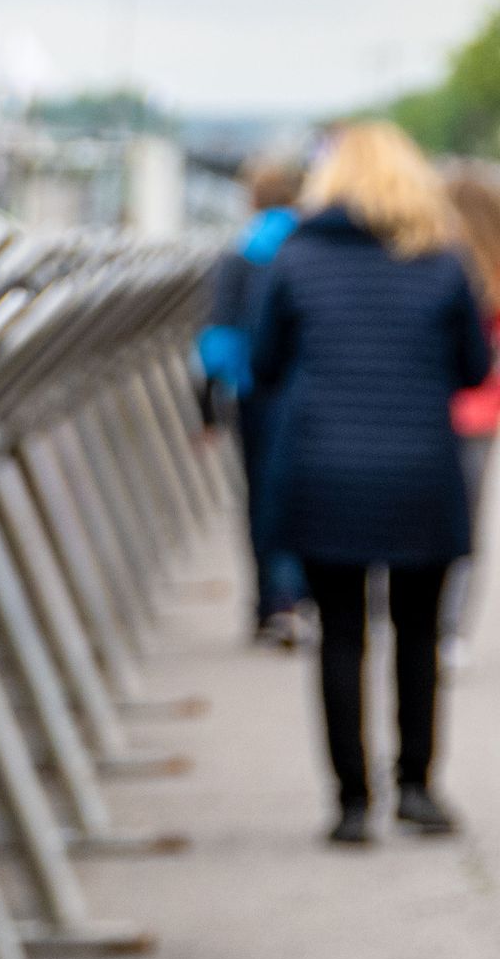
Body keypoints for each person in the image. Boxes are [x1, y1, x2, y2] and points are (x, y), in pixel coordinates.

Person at [253, 122, 493, 843]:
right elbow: (475, 369)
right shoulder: (445, 261)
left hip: (326, 469)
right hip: (421, 468)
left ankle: (352, 801)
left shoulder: (295, 258)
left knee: (342, 633)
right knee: (418, 630)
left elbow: (265, 365)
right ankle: (418, 786)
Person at [203, 152, 307, 644]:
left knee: (262, 495)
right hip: (311, 390)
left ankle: (272, 602)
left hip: (256, 392)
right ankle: (304, 595)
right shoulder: (312, 247)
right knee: (308, 492)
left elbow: (218, 339)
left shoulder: (241, 253)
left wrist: (205, 406)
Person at [443, 168, 500, 667]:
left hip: (429, 407)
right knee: (467, 523)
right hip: (481, 412)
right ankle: (454, 632)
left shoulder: (435, 263)